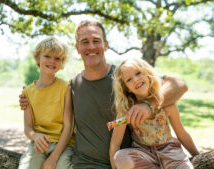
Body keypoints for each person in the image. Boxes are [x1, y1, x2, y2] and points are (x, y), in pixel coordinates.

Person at [20, 20, 189, 169]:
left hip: (122, 163)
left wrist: (148, 104)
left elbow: (179, 85)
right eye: (85, 42)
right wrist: (27, 98)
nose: (91, 46)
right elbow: (51, 104)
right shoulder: (73, 86)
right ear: (78, 48)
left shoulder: (125, 78)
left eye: (96, 41)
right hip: (83, 164)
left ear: (105, 45)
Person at [109, 58, 199, 169]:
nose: (136, 80)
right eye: (129, 80)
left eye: (138, 73)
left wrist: (198, 155)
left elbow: (182, 134)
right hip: (143, 153)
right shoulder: (126, 111)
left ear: (147, 74)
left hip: (169, 151)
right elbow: (115, 145)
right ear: (127, 89)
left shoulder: (167, 104)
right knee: (120, 158)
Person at [18, 37, 74, 169]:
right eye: (47, 56)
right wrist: (35, 136)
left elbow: (68, 126)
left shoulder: (66, 88)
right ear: (38, 59)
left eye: (57, 58)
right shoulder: (28, 93)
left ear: (62, 63)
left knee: (63, 166)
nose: (52, 61)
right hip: (38, 144)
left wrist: (53, 158)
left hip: (63, 145)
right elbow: (28, 128)